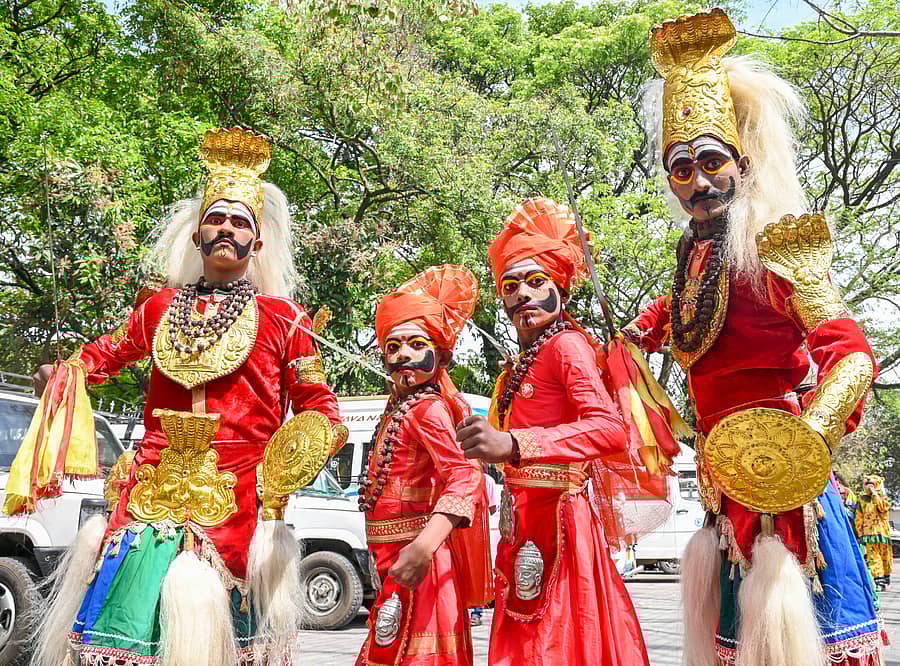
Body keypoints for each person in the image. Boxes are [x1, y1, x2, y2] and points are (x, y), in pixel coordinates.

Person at [9, 127, 344, 666]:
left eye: (240, 221)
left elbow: (319, 406)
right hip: (149, 492)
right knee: (121, 636)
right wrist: (63, 375)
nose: (227, 229)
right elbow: (102, 356)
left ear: (257, 242)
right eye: (216, 218)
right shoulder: (159, 308)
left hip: (235, 499)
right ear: (197, 235)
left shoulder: (286, 320)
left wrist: (286, 470)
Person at [626, 9, 880, 665]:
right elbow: (650, 342)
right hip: (724, 496)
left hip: (788, 503)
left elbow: (850, 357)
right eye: (681, 169)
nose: (699, 182)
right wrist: (639, 373)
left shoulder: (776, 253)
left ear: (742, 161)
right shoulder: (692, 268)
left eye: (710, 161)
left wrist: (807, 438)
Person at [457, 198, 650, 666]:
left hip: (562, 520)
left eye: (536, 281)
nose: (522, 294)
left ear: (561, 286)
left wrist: (515, 444)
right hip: (524, 520)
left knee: (556, 643)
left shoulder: (566, 346)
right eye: (511, 285)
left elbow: (609, 431)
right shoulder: (523, 361)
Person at [356, 265, 491, 666]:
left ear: (441, 353)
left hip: (420, 564)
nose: (403, 356)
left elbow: (466, 476)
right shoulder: (401, 407)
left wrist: (424, 546)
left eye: (416, 344)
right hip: (398, 559)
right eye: (393, 347)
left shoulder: (428, 409)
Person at [471, 464, 501, 627]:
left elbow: (492, 507)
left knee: (478, 568)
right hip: (477, 529)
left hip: (479, 530)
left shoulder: (487, 480)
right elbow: (493, 508)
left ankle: (476, 611)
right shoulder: (487, 480)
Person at [856, 474, 892, 591]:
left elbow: (883, 508)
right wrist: (860, 533)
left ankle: (885, 579)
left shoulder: (883, 497)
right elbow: (859, 517)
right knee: (873, 558)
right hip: (869, 533)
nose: (869, 487)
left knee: (885, 557)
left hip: (883, 533)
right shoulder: (862, 498)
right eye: (867, 485)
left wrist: (875, 494)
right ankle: (878, 581)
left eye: (872, 484)